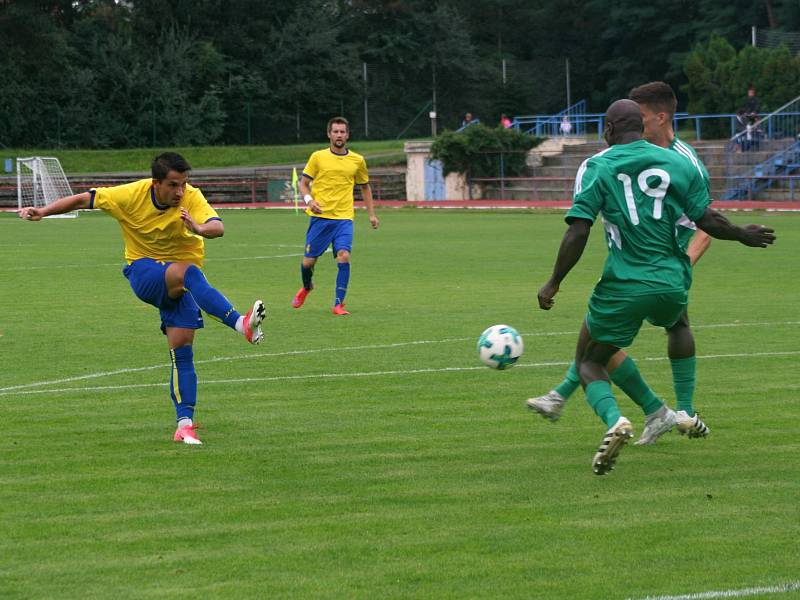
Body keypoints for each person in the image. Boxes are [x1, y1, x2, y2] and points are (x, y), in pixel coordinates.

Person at [535, 99, 775, 475]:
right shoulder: (677, 164)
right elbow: (706, 219)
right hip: (672, 281)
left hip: (626, 282)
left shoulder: (597, 166)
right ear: (642, 127)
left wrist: (554, 281)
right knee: (678, 325)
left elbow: (578, 229)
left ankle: (616, 421)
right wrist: (742, 235)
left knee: (589, 360)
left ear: (609, 129)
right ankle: (679, 410)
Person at [18, 152, 265, 446]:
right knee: (189, 272)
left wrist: (197, 228)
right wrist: (43, 212)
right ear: (155, 183)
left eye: (183, 184)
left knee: (183, 348)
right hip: (144, 272)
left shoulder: (190, 197)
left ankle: (184, 424)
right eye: (173, 185)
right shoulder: (130, 195)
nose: (179, 192)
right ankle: (241, 324)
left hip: (177, 282)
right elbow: (84, 199)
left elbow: (218, 227)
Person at [530, 82, 714, 445]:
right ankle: (655, 411)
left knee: (602, 342)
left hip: (659, 266)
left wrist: (683, 264)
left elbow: (705, 224)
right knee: (603, 341)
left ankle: (673, 410)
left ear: (660, 117)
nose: (638, 126)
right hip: (639, 266)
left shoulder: (684, 161)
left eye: (642, 117)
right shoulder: (630, 157)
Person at [292, 116, 379, 315]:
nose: (339, 135)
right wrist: (309, 201)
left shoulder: (357, 160)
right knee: (308, 263)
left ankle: (338, 304)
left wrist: (371, 215)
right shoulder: (318, 157)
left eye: (342, 132)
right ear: (329, 134)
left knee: (344, 256)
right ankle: (307, 287)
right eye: (335, 131)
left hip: (344, 218)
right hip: (320, 218)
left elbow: (365, 187)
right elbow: (303, 184)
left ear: (347, 135)